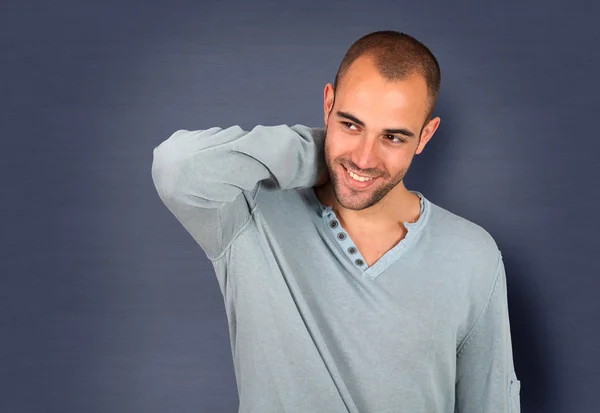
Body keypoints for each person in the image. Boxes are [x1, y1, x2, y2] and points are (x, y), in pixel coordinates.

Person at [151, 30, 521, 413]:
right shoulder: (250, 212)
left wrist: (340, 149)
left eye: (392, 137)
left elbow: (491, 403)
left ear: (425, 135)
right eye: (351, 124)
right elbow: (177, 167)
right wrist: (318, 156)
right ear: (328, 104)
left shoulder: (472, 256)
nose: (363, 158)